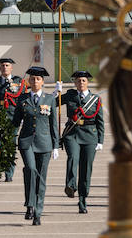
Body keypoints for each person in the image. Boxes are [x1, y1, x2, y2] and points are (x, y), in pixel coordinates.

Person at [13, 66, 59, 226]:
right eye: (32, 79)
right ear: (28, 81)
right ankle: (30, 204)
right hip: (26, 142)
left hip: (45, 143)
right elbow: (15, 122)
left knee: (41, 178)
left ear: (42, 82)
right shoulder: (23, 99)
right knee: (31, 170)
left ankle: (37, 211)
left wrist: (56, 146)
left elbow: (54, 124)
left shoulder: (49, 99)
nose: (35, 81)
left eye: (38, 79)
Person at [60, 70, 104, 214]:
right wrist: (57, 93)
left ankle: (82, 199)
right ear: (75, 83)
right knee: (73, 157)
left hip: (90, 135)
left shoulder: (95, 99)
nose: (81, 83)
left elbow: (100, 122)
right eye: (78, 81)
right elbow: (53, 103)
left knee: (86, 168)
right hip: (72, 133)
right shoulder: (70, 95)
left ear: (88, 83)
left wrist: (100, 140)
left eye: (83, 81)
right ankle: (71, 186)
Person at [0, 57, 24, 182]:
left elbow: (23, 99)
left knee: (10, 145)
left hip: (13, 118)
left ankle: (9, 173)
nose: (5, 67)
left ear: (11, 67)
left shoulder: (18, 81)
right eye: (2, 65)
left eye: (7, 65)